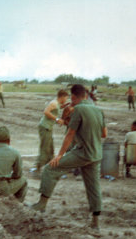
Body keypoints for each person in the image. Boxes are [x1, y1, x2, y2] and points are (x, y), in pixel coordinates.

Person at [31, 84, 107, 235]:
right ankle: (95, 224)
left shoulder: (78, 110)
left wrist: (59, 156)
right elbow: (104, 134)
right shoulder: (98, 110)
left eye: (70, 98)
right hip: (96, 155)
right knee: (94, 187)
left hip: (83, 153)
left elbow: (70, 134)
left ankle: (41, 205)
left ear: (73, 97)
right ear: (86, 95)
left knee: (50, 168)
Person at [33, 89, 69, 176]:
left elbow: (55, 110)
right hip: (45, 127)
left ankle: (50, 167)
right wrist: (57, 119)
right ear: (62, 96)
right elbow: (46, 112)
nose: (67, 100)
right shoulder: (54, 103)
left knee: (50, 147)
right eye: (66, 98)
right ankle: (38, 168)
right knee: (45, 147)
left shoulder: (57, 104)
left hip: (48, 128)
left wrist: (63, 107)